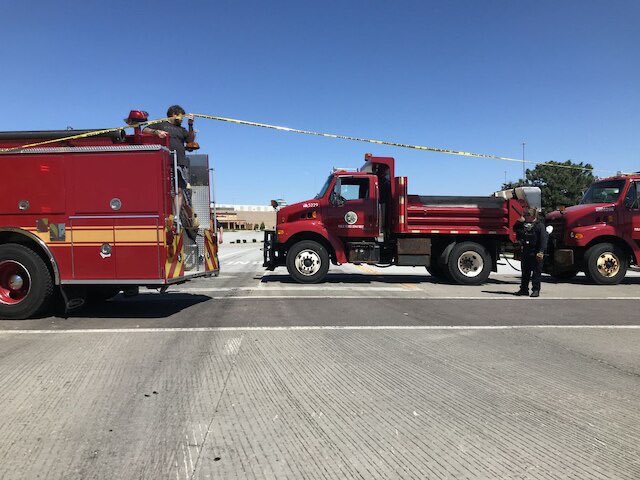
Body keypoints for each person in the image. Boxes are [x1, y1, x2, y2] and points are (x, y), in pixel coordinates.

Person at [144, 105, 196, 222]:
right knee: (168, 190)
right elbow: (145, 129)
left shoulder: (182, 130)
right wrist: (157, 132)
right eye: (181, 116)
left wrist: (190, 124)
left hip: (181, 163)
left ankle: (177, 216)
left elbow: (190, 140)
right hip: (165, 162)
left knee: (179, 190)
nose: (182, 119)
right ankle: (167, 214)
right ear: (174, 114)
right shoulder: (161, 123)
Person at [514, 207, 548, 297]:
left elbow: (543, 240)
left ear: (533, 216)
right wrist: (519, 222)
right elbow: (515, 229)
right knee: (525, 272)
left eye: (527, 215)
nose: (525, 216)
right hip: (526, 251)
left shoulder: (539, 226)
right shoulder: (524, 225)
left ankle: (536, 290)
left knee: (536, 272)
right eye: (525, 214)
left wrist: (541, 251)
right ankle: (524, 289)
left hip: (536, 252)